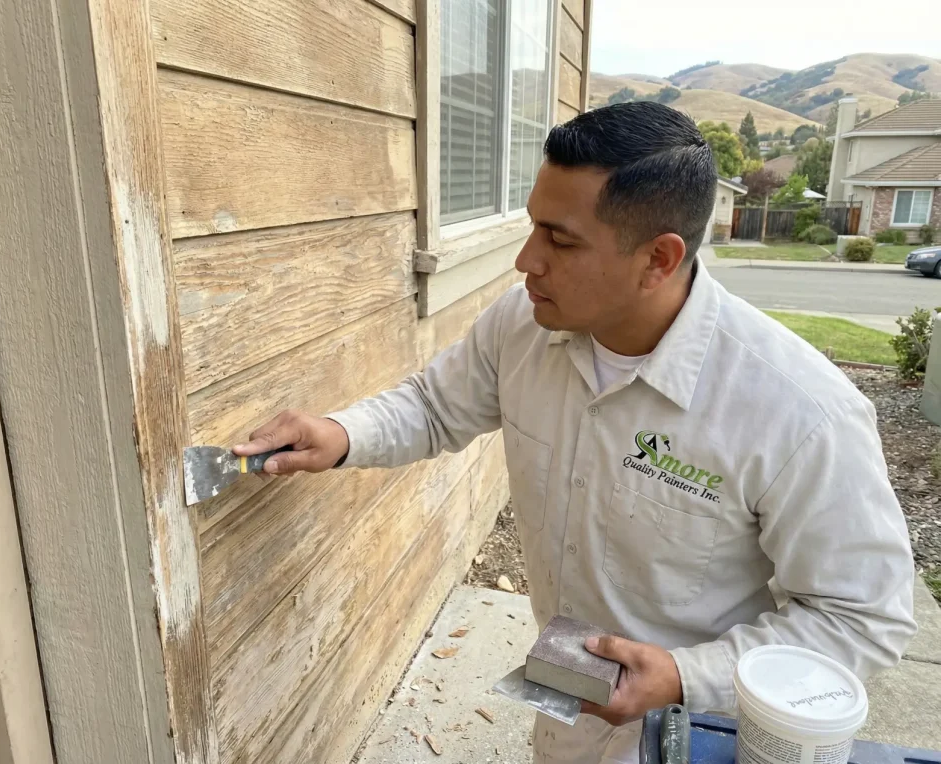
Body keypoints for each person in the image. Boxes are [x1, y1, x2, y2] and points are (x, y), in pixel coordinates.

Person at [233, 102, 917, 764]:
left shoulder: (800, 412)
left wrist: (683, 674)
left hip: (699, 729)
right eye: (533, 227)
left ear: (658, 258)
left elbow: (860, 619)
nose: (526, 260)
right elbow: (437, 406)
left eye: (560, 239)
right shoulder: (524, 324)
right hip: (567, 693)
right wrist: (340, 432)